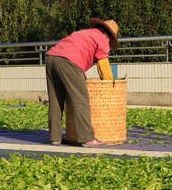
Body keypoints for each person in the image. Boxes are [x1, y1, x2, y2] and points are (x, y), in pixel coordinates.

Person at [45, 18, 119, 148]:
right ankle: (87, 138)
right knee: (81, 100)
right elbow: (103, 64)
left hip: (51, 58)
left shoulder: (84, 33)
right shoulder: (102, 40)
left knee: (56, 100)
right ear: (109, 37)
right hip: (69, 62)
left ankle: (55, 138)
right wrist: (109, 83)